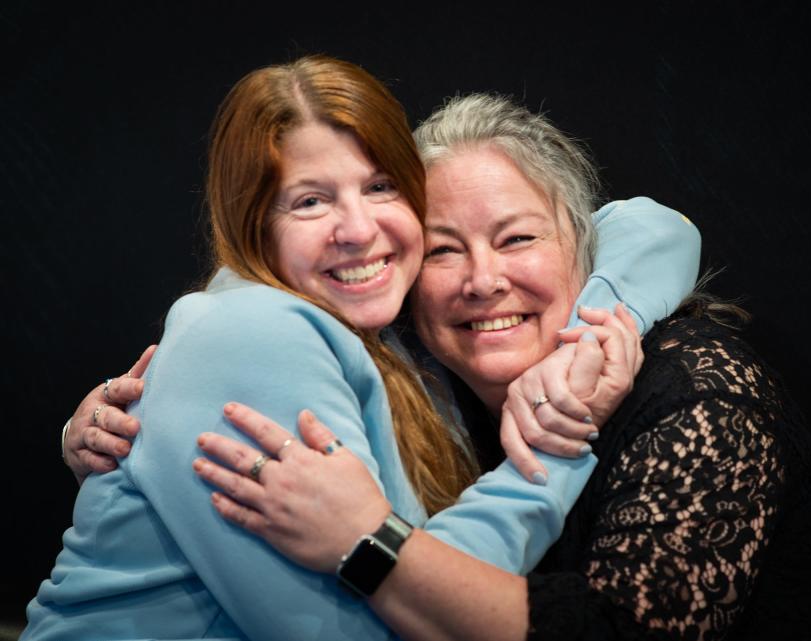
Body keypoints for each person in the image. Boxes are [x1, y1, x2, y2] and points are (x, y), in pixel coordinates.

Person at [185, 94, 811, 641]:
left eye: (516, 240)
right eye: (444, 249)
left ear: (585, 247)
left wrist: (368, 541)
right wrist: (121, 415)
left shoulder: (700, 396)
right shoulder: (416, 379)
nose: (483, 281)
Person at [28, 57, 699, 640]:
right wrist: (558, 435)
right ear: (253, 224)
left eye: (380, 186)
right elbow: (389, 625)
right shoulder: (253, 334)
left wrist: (578, 345)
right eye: (312, 201)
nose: (359, 229)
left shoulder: (391, 322)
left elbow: (653, 228)